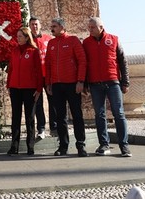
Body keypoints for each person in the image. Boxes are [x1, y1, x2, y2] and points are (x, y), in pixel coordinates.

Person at [83, 17, 132, 157]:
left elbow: (123, 61)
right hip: (95, 84)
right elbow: (84, 64)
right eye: (89, 27)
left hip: (113, 82)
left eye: (92, 27)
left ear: (101, 27)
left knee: (119, 113)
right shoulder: (86, 43)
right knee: (99, 114)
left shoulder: (114, 39)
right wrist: (85, 83)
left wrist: (125, 82)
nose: (90, 30)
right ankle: (104, 144)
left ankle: (124, 146)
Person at [45, 17, 88, 157]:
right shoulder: (51, 43)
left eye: (55, 26)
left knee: (76, 115)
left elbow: (82, 61)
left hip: (72, 84)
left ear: (62, 27)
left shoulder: (73, 40)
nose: (52, 28)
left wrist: (80, 81)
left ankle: (81, 145)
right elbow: (48, 65)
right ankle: (63, 146)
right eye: (51, 26)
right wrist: (48, 83)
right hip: (56, 85)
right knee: (60, 117)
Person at [6, 25, 44, 156]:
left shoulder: (33, 51)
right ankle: (14, 147)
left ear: (27, 37)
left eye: (20, 36)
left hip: (30, 89)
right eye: (17, 36)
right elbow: (11, 69)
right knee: (15, 118)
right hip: (15, 88)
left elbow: (39, 71)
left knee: (29, 118)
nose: (18, 39)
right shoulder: (14, 50)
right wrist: (8, 85)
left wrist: (39, 88)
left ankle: (30, 146)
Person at [29, 17, 54, 139]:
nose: (34, 26)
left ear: (40, 25)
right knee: (37, 103)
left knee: (53, 101)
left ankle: (54, 128)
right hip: (36, 77)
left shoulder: (48, 39)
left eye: (36, 24)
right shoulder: (28, 41)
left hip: (49, 76)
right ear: (29, 26)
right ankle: (41, 128)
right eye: (32, 24)